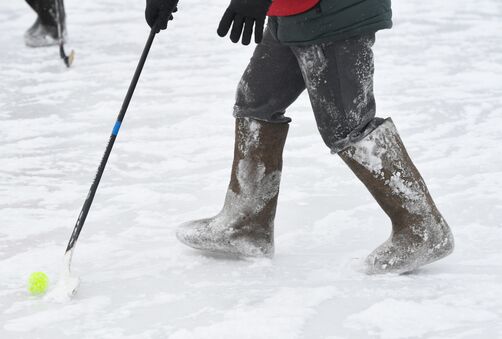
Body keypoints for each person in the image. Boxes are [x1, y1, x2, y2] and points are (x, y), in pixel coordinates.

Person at [144, 0, 455, 274]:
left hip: (336, 13)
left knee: (347, 124)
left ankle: (422, 227)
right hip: (291, 10)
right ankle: (245, 223)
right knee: (257, 99)